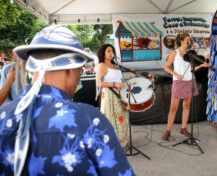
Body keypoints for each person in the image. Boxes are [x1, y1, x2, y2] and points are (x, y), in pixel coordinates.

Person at [0, 26, 135, 175]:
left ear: (32, 69)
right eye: (80, 70)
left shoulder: (3, 115)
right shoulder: (88, 120)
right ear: (70, 70)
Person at [162, 33, 209, 141]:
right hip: (178, 82)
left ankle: (183, 128)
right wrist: (176, 75)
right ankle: (168, 131)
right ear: (182, 41)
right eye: (188, 40)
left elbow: (192, 69)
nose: (190, 41)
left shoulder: (190, 54)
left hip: (190, 81)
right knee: (173, 108)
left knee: (187, 106)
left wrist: (201, 65)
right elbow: (166, 67)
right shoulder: (175, 53)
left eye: (191, 40)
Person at [97, 44, 129, 148]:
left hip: (120, 94)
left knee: (121, 117)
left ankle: (121, 141)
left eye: (112, 51)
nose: (111, 53)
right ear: (103, 53)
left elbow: (119, 80)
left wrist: (127, 83)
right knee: (111, 118)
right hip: (109, 95)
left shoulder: (116, 66)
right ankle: (112, 143)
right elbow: (99, 83)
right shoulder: (102, 66)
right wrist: (114, 84)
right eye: (108, 51)